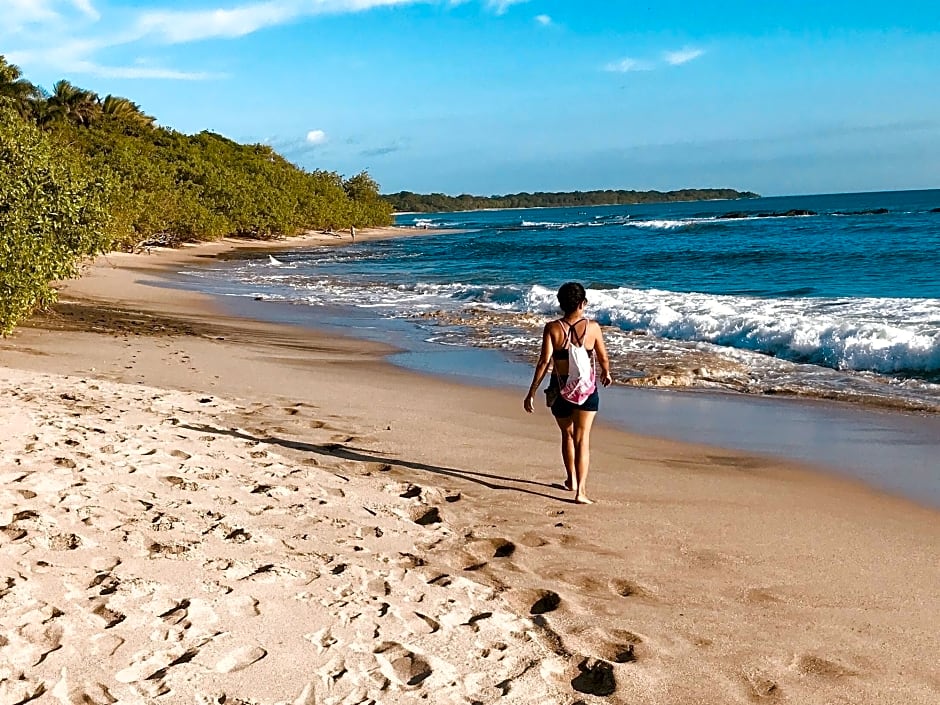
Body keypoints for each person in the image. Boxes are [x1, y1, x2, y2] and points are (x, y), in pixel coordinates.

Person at [524, 282, 612, 504]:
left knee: (567, 435)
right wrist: (606, 373)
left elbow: (544, 361)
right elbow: (602, 356)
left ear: (561, 304)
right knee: (583, 439)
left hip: (559, 388)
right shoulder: (592, 328)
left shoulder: (552, 328)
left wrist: (532, 390)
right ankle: (580, 492)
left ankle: (571, 479)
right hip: (586, 389)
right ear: (583, 303)